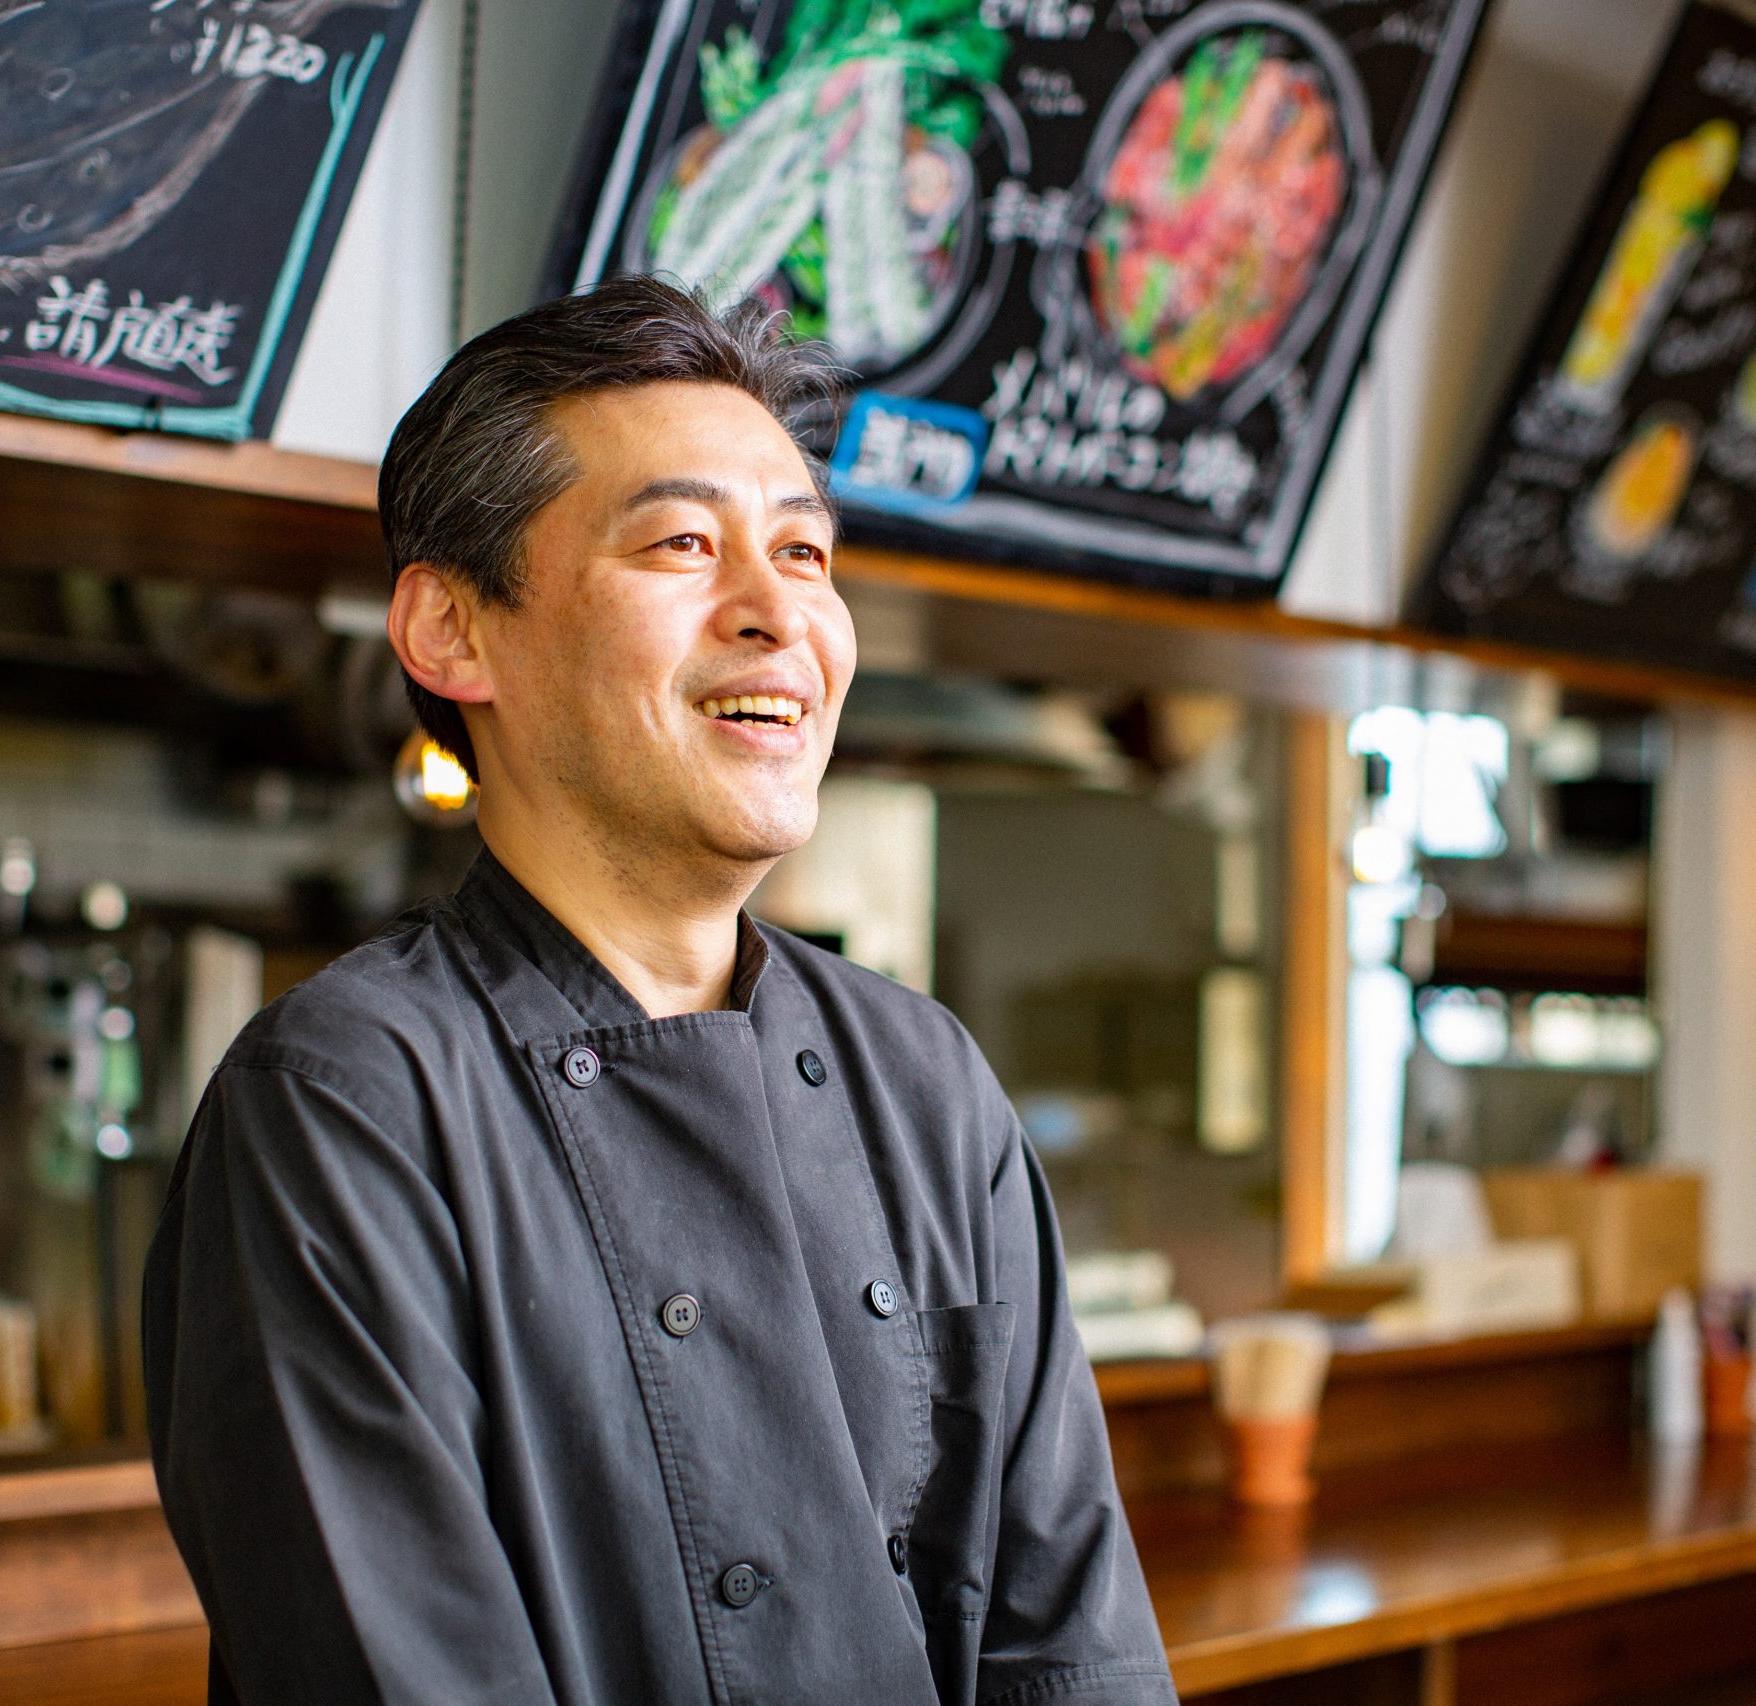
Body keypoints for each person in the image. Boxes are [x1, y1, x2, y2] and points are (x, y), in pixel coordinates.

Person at [142, 275, 1176, 1706]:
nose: (778, 614)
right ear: (453, 630)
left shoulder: (922, 1079)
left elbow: (1077, 1656)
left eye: (806, 554)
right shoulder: (345, 1104)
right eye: (684, 542)